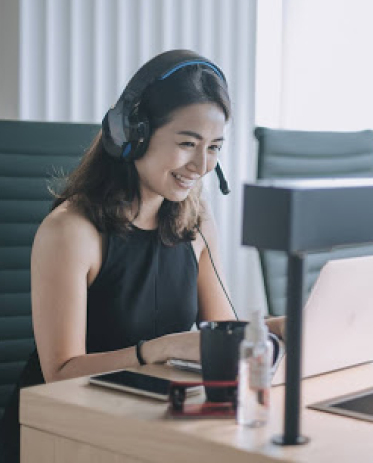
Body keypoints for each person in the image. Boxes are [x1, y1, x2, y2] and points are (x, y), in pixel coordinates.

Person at [0, 49, 283, 463]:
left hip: (142, 421)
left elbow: (223, 334)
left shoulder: (196, 223)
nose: (202, 165)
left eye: (214, 148)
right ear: (133, 134)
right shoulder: (72, 231)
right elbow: (58, 372)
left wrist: (287, 326)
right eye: (188, 143)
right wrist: (157, 349)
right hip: (58, 434)